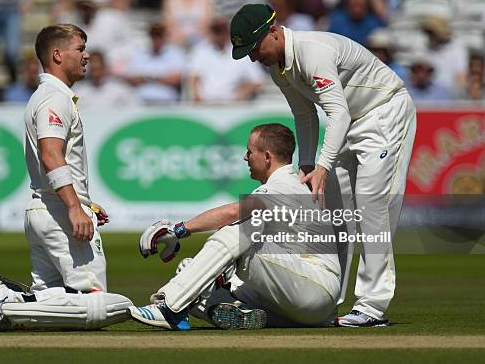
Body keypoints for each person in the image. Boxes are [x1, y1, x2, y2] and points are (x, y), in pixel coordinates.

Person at [0, 24, 132, 332]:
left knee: (48, 300)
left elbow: (54, 160)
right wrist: (74, 207)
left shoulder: (48, 95)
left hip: (44, 211)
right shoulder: (54, 98)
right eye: (80, 49)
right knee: (101, 305)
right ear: (57, 55)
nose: (87, 55)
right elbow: (51, 154)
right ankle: (2, 302)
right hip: (58, 214)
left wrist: (83, 201)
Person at [230, 4, 417, 327]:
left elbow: (338, 113)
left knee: (373, 206)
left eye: (254, 47)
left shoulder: (312, 52)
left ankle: (372, 305)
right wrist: (305, 164)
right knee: (334, 211)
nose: (252, 57)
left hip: (385, 112)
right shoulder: (278, 67)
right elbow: (305, 115)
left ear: (273, 31)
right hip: (351, 123)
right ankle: (329, 297)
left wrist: (324, 165)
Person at [128, 123, 341, 329]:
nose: (245, 157)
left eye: (250, 151)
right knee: (190, 269)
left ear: (267, 157)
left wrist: (179, 230)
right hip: (302, 301)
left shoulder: (285, 185)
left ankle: (170, 308)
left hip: (315, 288)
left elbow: (231, 213)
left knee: (239, 230)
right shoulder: (285, 185)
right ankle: (239, 312)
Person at [188, 17, 265, 102]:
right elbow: (193, 76)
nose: (220, 34)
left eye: (222, 30)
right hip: (206, 103)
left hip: (233, 104)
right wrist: (197, 95)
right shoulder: (201, 50)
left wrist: (242, 93)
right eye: (216, 31)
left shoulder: (240, 52)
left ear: (228, 32)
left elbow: (258, 81)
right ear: (211, 32)